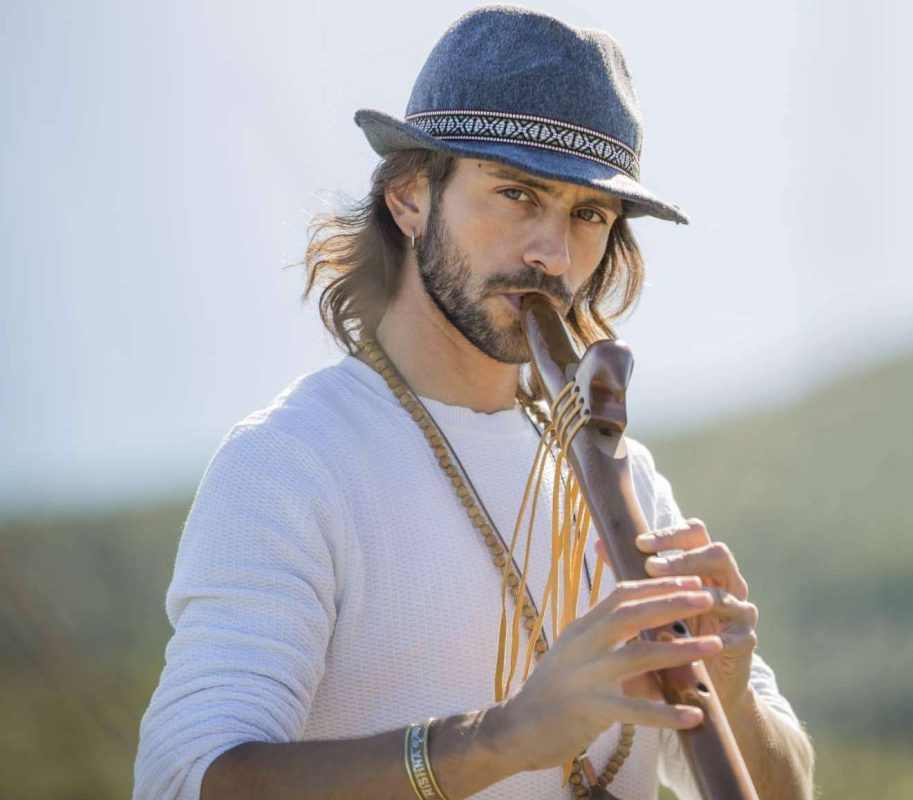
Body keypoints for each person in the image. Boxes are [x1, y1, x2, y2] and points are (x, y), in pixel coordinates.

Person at [133, 6, 814, 799]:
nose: (552, 254)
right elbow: (186, 779)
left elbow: (790, 787)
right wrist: (499, 739)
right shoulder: (290, 461)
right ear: (409, 198)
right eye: (517, 193)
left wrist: (728, 693)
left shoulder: (631, 482)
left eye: (588, 213)